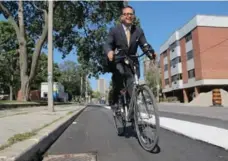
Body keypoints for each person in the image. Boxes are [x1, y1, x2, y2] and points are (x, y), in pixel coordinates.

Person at [103, 5, 156, 111]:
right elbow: (107, 43)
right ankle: (116, 99)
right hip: (119, 60)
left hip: (132, 61)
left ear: (134, 16)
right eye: (126, 14)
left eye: (130, 14)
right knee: (120, 75)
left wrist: (151, 53)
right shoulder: (114, 30)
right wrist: (109, 51)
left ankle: (132, 115)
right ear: (122, 17)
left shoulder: (138, 31)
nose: (128, 16)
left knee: (132, 85)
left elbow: (144, 45)